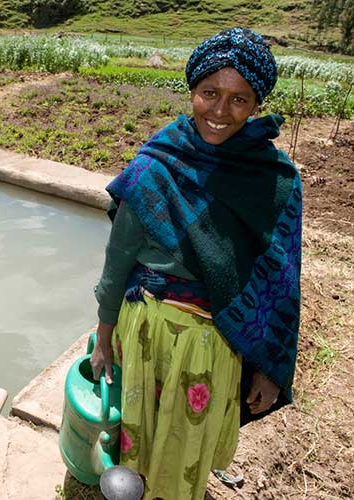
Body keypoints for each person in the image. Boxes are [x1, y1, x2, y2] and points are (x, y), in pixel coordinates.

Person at [90, 27, 302, 500]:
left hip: (213, 346)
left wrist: (271, 365)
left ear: (256, 104)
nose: (220, 112)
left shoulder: (273, 181)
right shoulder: (157, 163)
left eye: (240, 100)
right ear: (192, 90)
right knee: (140, 432)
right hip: (146, 332)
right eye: (210, 93)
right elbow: (118, 257)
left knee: (187, 444)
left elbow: (281, 281)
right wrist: (104, 334)